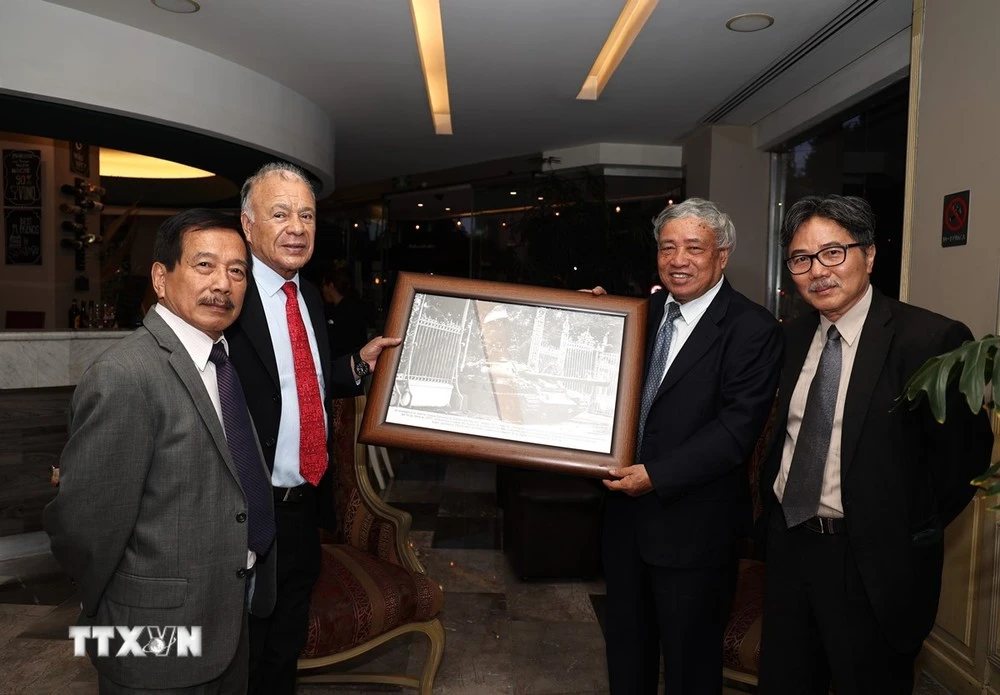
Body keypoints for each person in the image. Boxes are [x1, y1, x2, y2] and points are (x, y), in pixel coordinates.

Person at [757, 194, 993, 694]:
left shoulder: (930, 339)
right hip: (790, 546)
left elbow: (962, 460)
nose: (817, 271)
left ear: (868, 254)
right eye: (801, 259)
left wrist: (903, 527)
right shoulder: (793, 336)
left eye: (833, 252)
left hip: (871, 564)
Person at [44, 209, 276, 693]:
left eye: (237, 271)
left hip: (228, 615)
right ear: (160, 277)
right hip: (153, 631)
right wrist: (110, 615)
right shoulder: (124, 375)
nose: (223, 284)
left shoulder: (223, 362)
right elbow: (83, 528)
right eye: (205, 266)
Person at [224, 162, 399, 694]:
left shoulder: (307, 296)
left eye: (306, 215)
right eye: (280, 214)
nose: (296, 227)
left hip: (304, 504)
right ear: (247, 225)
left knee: (284, 643)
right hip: (245, 509)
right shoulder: (226, 298)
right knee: (241, 649)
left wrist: (357, 365)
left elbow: (300, 383)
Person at [600, 198, 783, 694]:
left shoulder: (753, 329)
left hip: (694, 530)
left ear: (722, 256)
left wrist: (654, 475)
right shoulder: (638, 313)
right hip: (623, 523)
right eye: (667, 248)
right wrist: (592, 320)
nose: (678, 259)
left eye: (694, 248)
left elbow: (734, 433)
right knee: (626, 655)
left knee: (691, 667)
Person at [320, 264, 370, 359]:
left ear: (331, 285)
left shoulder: (346, 311)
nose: (322, 290)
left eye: (323, 285)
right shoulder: (353, 306)